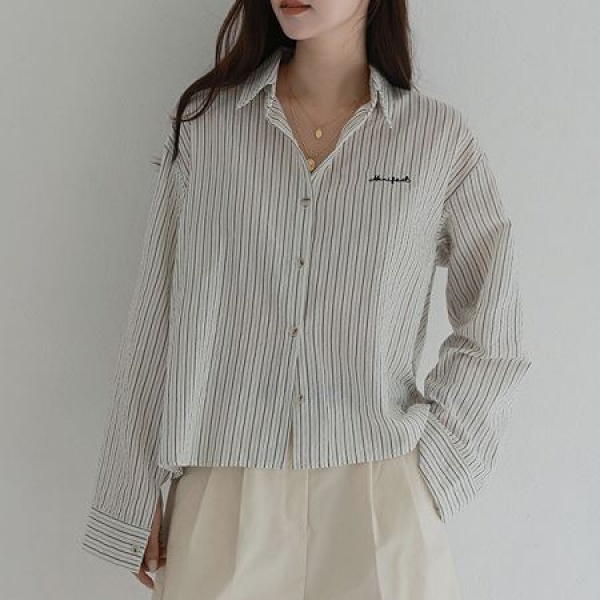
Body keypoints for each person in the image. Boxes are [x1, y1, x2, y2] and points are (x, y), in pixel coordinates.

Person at [81, 0, 532, 598]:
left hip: (379, 493)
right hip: (225, 489)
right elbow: (156, 318)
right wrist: (131, 494)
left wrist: (436, 471)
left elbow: (495, 323)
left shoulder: (436, 141)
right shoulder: (207, 129)